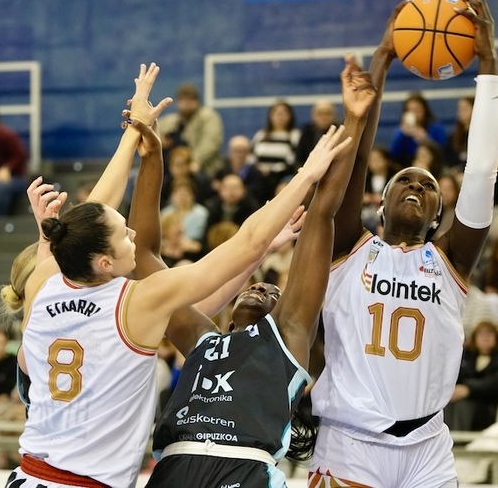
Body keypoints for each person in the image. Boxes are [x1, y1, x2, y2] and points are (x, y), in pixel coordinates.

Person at [4, 63, 350, 488]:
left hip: (28, 475)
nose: (130, 230)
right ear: (104, 264)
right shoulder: (137, 301)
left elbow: (90, 218)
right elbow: (245, 244)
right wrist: (307, 175)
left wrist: (136, 130)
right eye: (122, 235)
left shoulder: (43, 284)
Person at [139, 55, 377, 488]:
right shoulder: (202, 340)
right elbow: (144, 260)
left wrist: (354, 121)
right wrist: (152, 154)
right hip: (174, 466)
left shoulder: (287, 335)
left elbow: (322, 212)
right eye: (258, 284)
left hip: (242, 469)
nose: (262, 287)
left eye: (272, 291)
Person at [308, 0, 498, 486]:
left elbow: (481, 173)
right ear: (381, 202)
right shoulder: (350, 245)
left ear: (440, 213)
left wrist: (489, 66)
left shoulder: (451, 259)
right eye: (405, 181)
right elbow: (352, 164)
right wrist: (381, 61)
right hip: (349, 443)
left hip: (427, 449)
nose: (416, 186)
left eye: (429, 185)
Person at [444, 321, 498, 431]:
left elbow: (497, 383)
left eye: (489, 333)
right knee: (447, 401)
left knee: (465, 405)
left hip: (489, 403)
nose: (485, 337)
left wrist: (469, 389)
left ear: (497, 338)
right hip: (463, 398)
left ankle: (459, 441)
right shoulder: (466, 357)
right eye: (481, 334)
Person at [159, 82, 224, 178]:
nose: (186, 104)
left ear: (197, 101)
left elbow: (211, 143)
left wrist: (194, 162)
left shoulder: (208, 117)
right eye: (182, 100)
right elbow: (154, 136)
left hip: (203, 169)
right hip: (171, 170)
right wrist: (161, 142)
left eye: (189, 100)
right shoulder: (170, 121)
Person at [250, 100, 301, 196]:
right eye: (277, 113)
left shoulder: (294, 135)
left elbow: (293, 160)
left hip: (282, 177)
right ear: (270, 116)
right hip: (260, 177)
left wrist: (272, 170)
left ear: (290, 116)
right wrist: (259, 168)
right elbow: (251, 156)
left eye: (283, 113)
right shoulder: (261, 135)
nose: (280, 117)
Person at [390, 92, 448, 168]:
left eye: (417, 109)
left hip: (433, 166)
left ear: (424, 109)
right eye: (410, 110)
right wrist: (402, 134)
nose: (414, 113)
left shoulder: (435, 127)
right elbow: (394, 154)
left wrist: (426, 139)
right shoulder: (401, 131)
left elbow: (443, 151)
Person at [214, 134, 269, 204]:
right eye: (236, 151)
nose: (239, 155)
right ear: (229, 152)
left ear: (248, 153)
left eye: (243, 151)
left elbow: (257, 194)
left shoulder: (255, 174)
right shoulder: (221, 172)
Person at [294, 100, 338, 168]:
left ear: (334, 115)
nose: (324, 117)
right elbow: (299, 160)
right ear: (313, 116)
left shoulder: (341, 132)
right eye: (320, 114)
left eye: (328, 113)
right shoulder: (307, 132)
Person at [445, 96, 474, 172]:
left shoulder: (482, 136)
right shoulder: (453, 135)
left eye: (465, 109)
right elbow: (448, 160)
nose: (461, 112)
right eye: (459, 109)